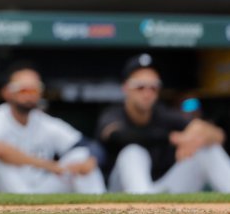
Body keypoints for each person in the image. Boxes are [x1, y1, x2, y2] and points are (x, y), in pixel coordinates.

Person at [96, 53, 230, 193]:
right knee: (133, 152)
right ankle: (144, 207)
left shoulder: (164, 115)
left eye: (153, 87)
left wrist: (194, 136)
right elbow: (118, 135)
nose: (147, 93)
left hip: (159, 193)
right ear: (126, 88)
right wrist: (172, 138)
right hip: (120, 193)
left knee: (208, 149)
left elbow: (218, 135)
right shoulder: (113, 114)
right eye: (140, 87)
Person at [0, 62, 106, 194]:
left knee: (81, 156)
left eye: (34, 89)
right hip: (4, 191)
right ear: (7, 92)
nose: (29, 95)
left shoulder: (45, 122)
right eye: (23, 90)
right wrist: (50, 166)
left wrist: (91, 161)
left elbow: (88, 145)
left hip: (40, 188)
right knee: (2, 164)